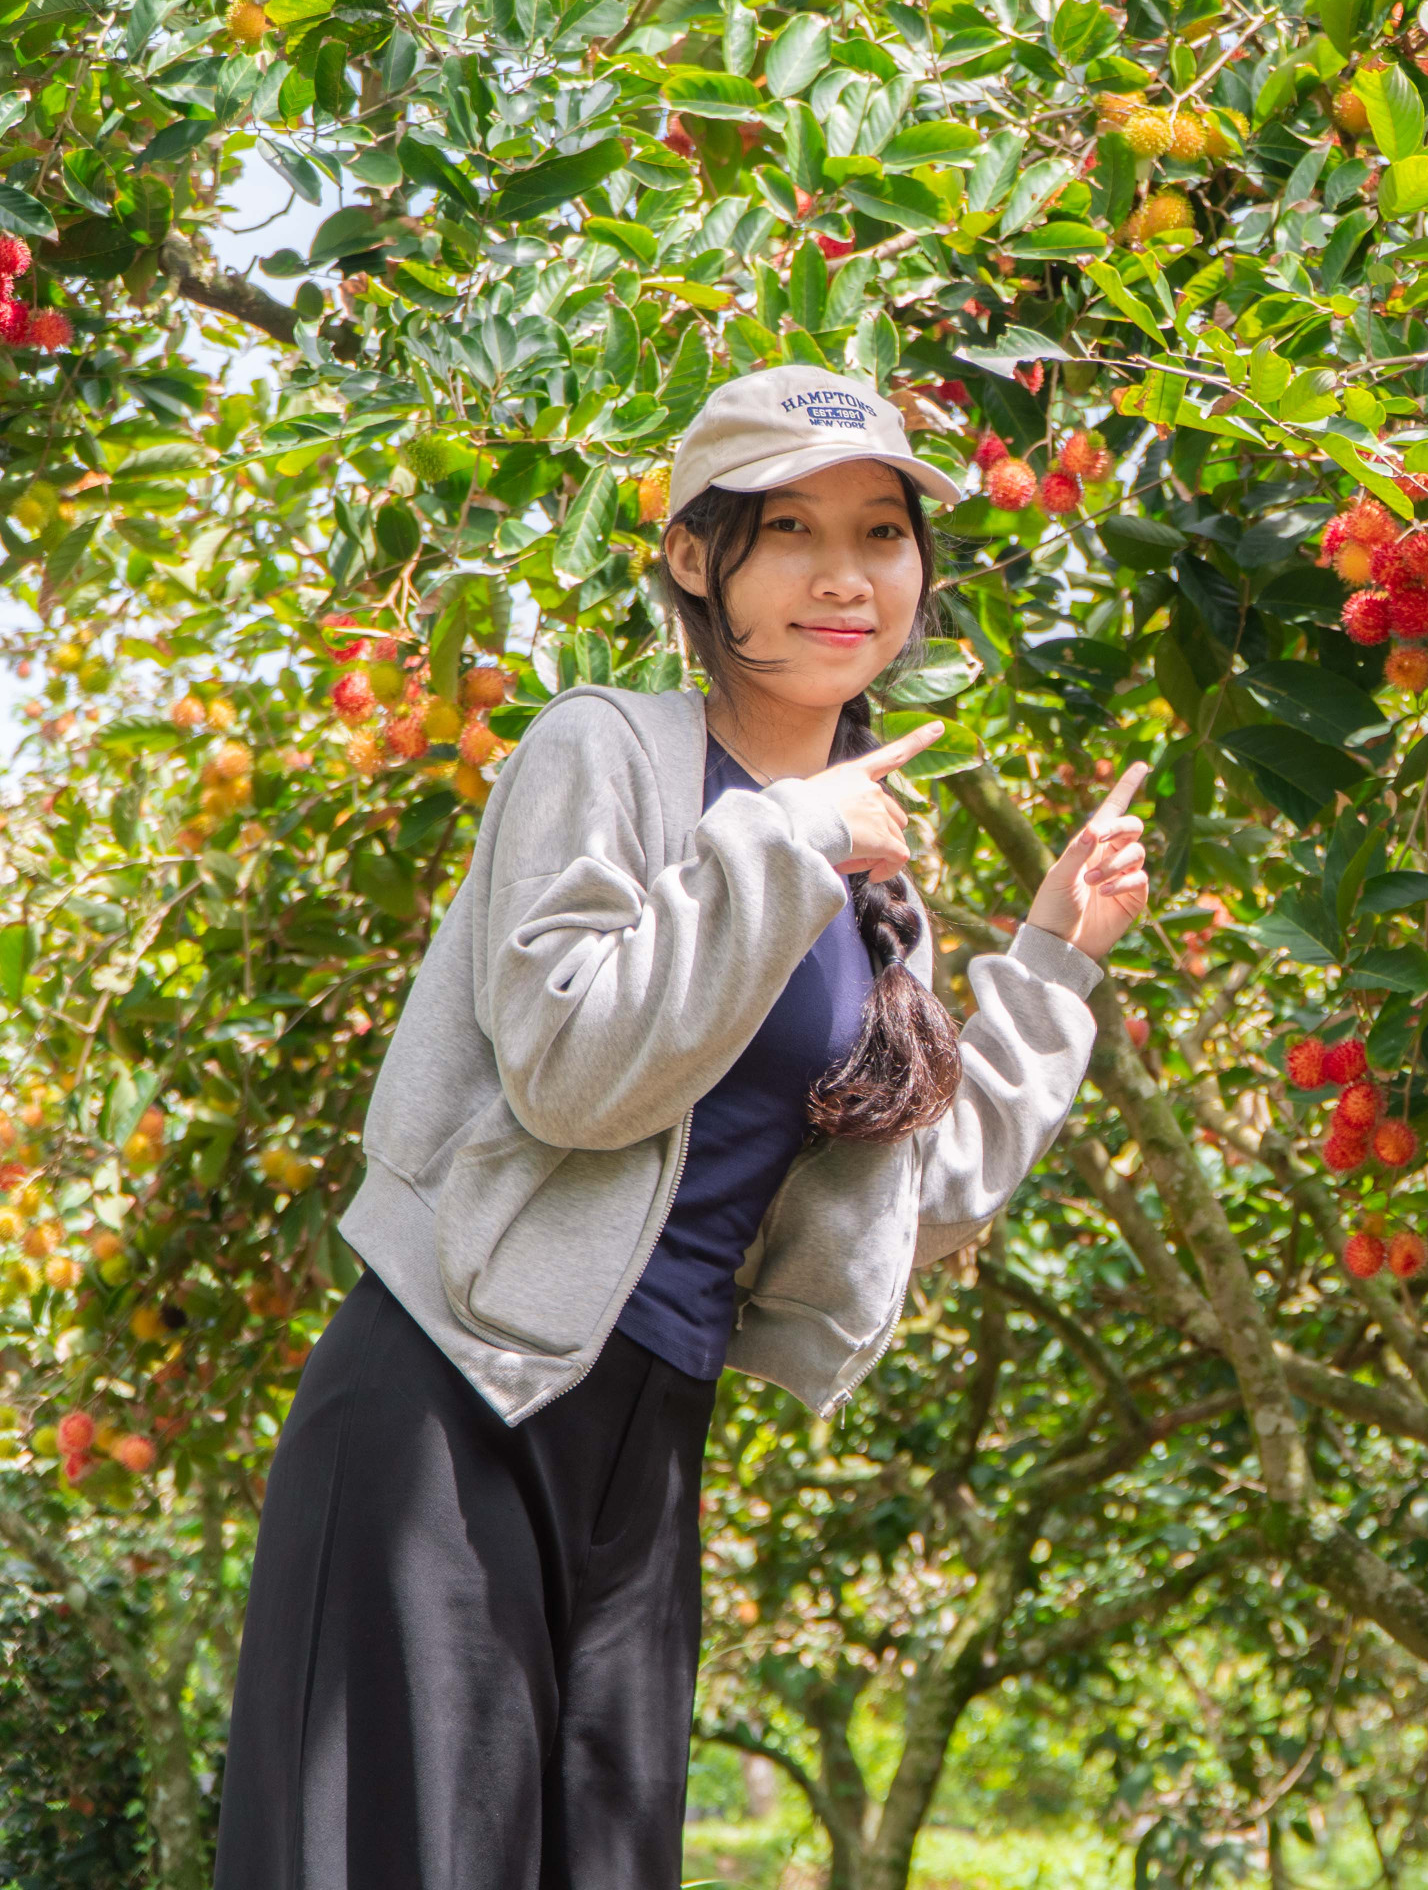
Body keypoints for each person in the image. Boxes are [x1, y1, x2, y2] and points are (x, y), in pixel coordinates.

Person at [212, 365, 1149, 1888]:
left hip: (647, 1431)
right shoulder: (612, 753)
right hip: (455, 1397)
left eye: (884, 532)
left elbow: (926, 1193)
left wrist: (1053, 959)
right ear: (696, 559)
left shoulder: (874, 884)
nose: (847, 575)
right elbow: (576, 1068)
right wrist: (789, 841)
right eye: (790, 529)